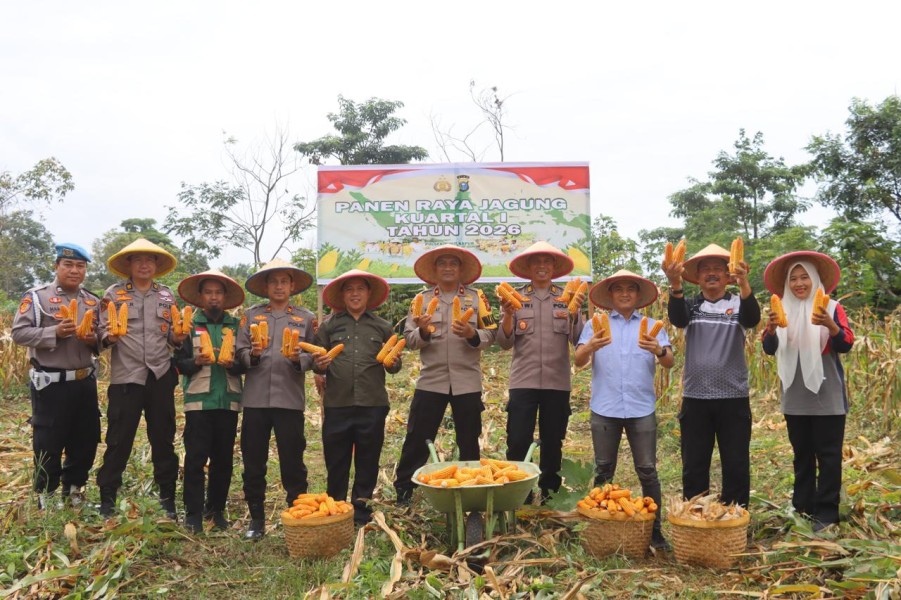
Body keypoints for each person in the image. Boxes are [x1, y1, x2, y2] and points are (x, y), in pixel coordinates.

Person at [574, 270, 675, 549]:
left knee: (647, 470)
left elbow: (669, 361)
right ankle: (598, 527)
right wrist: (590, 346)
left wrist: (658, 350)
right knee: (604, 469)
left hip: (641, 407)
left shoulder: (651, 324)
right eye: (619, 289)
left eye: (631, 289)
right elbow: (578, 360)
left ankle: (655, 532)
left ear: (638, 295)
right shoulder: (596, 324)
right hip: (605, 407)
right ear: (610, 295)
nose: (625, 293)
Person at [393, 245, 497, 503]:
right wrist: (425, 333)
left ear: (461, 269)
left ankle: (472, 490)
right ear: (435, 270)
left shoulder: (477, 299)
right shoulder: (422, 301)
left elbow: (491, 333)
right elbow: (409, 338)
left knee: (469, 440)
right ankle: (404, 490)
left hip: (467, 381)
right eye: (443, 263)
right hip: (431, 380)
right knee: (417, 437)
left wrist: (473, 335)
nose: (448, 268)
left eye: (454, 263)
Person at [761, 252, 853, 531]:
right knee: (802, 453)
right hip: (795, 392)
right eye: (793, 279)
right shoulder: (782, 309)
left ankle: (826, 511)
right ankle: (803, 505)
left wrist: (830, 324)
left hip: (827, 392)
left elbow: (846, 343)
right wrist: (771, 328)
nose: (799, 283)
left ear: (814, 280)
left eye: (805, 278)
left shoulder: (833, 307)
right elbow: (769, 348)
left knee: (828, 454)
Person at [663, 243, 760, 508]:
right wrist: (675, 284)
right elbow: (678, 319)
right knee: (694, 462)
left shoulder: (739, 303)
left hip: (733, 397)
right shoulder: (692, 306)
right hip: (696, 397)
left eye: (719, 269)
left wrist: (744, 283)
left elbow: (752, 319)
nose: (712, 274)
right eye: (706, 270)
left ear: (728, 275)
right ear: (698, 277)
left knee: (736, 462)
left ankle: (735, 514)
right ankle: (695, 514)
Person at [96, 238, 188, 518]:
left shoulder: (167, 296)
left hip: (160, 375)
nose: (145, 264)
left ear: (157, 266)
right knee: (118, 440)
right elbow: (99, 335)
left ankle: (167, 498)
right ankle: (107, 499)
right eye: (138, 260)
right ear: (129, 265)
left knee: (163, 438)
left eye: (150, 260)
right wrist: (109, 336)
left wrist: (179, 337)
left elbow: (173, 336)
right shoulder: (113, 295)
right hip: (127, 378)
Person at [12, 243, 102, 509]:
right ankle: (47, 496)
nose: (75, 270)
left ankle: (74, 491)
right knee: (48, 440)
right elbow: (19, 333)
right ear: (56, 266)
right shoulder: (37, 297)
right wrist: (54, 333)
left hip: (84, 380)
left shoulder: (93, 301)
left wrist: (93, 339)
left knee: (85, 438)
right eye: (68, 265)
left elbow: (103, 339)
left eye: (80, 266)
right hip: (51, 382)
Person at [496, 241, 585, 502]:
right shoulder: (516, 297)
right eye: (537, 262)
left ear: (555, 267)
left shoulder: (565, 298)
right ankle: (518, 494)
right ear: (528, 267)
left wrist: (576, 313)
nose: (542, 266)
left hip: (557, 383)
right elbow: (504, 342)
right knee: (518, 439)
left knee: (552, 440)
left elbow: (578, 340)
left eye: (548, 262)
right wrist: (508, 315)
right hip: (523, 381)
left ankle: (549, 493)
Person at [313, 269, 401, 526]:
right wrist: (319, 364)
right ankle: (337, 510)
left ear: (368, 293)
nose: (354, 294)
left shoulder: (383, 327)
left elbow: (394, 367)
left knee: (367, 460)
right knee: (336, 460)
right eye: (349, 289)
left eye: (359, 289)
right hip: (337, 403)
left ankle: (361, 512)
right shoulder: (329, 326)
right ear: (342, 295)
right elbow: (317, 364)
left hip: (372, 403)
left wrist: (394, 361)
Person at [236, 258, 316, 540]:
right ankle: (256, 519)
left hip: (289, 400)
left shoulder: (306, 318)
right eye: (274, 281)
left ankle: (297, 515)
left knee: (292, 461)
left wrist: (300, 359)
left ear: (292, 285)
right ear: (266, 286)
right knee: (253, 460)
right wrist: (253, 355)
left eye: (284, 281)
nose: (279, 286)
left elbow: (315, 355)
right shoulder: (251, 316)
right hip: (256, 400)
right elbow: (239, 353)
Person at [174, 270, 246, 533]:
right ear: (201, 296)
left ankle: (215, 510)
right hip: (199, 402)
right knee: (195, 459)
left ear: (226, 297)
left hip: (227, 400)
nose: (214, 297)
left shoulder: (237, 326)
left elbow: (246, 363)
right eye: (209, 292)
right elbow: (178, 363)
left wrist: (234, 364)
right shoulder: (189, 326)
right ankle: (193, 514)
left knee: (223, 460)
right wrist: (195, 362)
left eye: (218, 292)